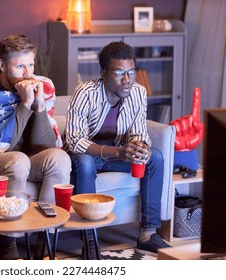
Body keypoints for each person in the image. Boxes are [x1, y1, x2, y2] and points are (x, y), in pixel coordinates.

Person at [0, 34, 71, 259]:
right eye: (20, 66)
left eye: (31, 64)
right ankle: (9, 245)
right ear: (2, 65)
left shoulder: (43, 86)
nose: (28, 73)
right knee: (18, 159)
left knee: (59, 158)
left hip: (27, 159)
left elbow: (44, 145)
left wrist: (39, 105)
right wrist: (24, 104)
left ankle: (46, 239)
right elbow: (4, 145)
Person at [65, 41, 171, 257]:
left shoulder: (138, 92)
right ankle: (89, 239)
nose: (127, 80)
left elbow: (139, 130)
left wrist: (141, 147)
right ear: (104, 73)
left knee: (156, 158)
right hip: (87, 156)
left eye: (132, 72)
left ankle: (148, 235)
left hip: (118, 153)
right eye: (119, 73)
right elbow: (75, 140)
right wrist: (117, 153)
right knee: (84, 163)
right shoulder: (85, 93)